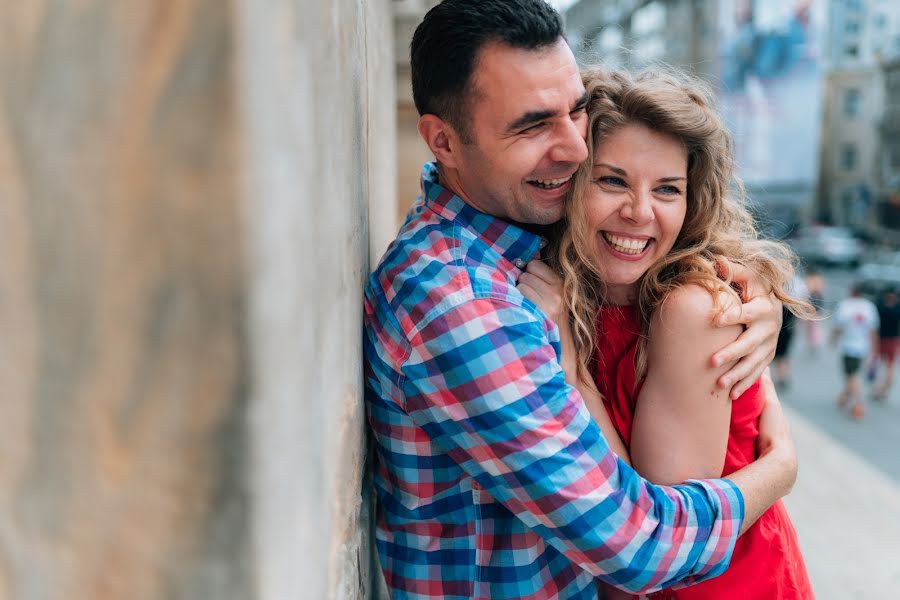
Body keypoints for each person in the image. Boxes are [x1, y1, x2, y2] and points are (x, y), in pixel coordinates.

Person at [363, 1, 796, 597]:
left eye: (575, 111)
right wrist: (779, 470)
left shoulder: (514, 231)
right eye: (533, 124)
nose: (575, 148)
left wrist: (756, 310)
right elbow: (639, 548)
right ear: (445, 141)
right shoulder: (462, 304)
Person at [518, 67, 813, 599]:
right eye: (612, 180)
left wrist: (567, 371)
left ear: (692, 200)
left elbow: (659, 553)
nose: (639, 212)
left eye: (667, 189)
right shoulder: (561, 293)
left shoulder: (692, 310)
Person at [833, 283, 880, 420]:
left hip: (848, 345)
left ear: (851, 291)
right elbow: (873, 330)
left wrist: (834, 339)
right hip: (863, 346)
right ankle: (844, 397)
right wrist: (875, 348)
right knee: (852, 374)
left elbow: (839, 326)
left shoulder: (845, 305)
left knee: (851, 375)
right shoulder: (869, 307)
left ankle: (859, 403)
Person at [874, 288, 900, 402]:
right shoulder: (897, 310)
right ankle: (884, 390)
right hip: (893, 340)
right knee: (889, 367)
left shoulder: (880, 308)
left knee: (879, 365)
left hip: (882, 340)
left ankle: (879, 389)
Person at [803, 266, 827, 354]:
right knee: (815, 325)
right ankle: (815, 342)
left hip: (812, 304)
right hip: (817, 303)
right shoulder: (819, 279)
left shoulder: (810, 279)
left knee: (812, 326)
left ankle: (815, 342)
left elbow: (807, 291)